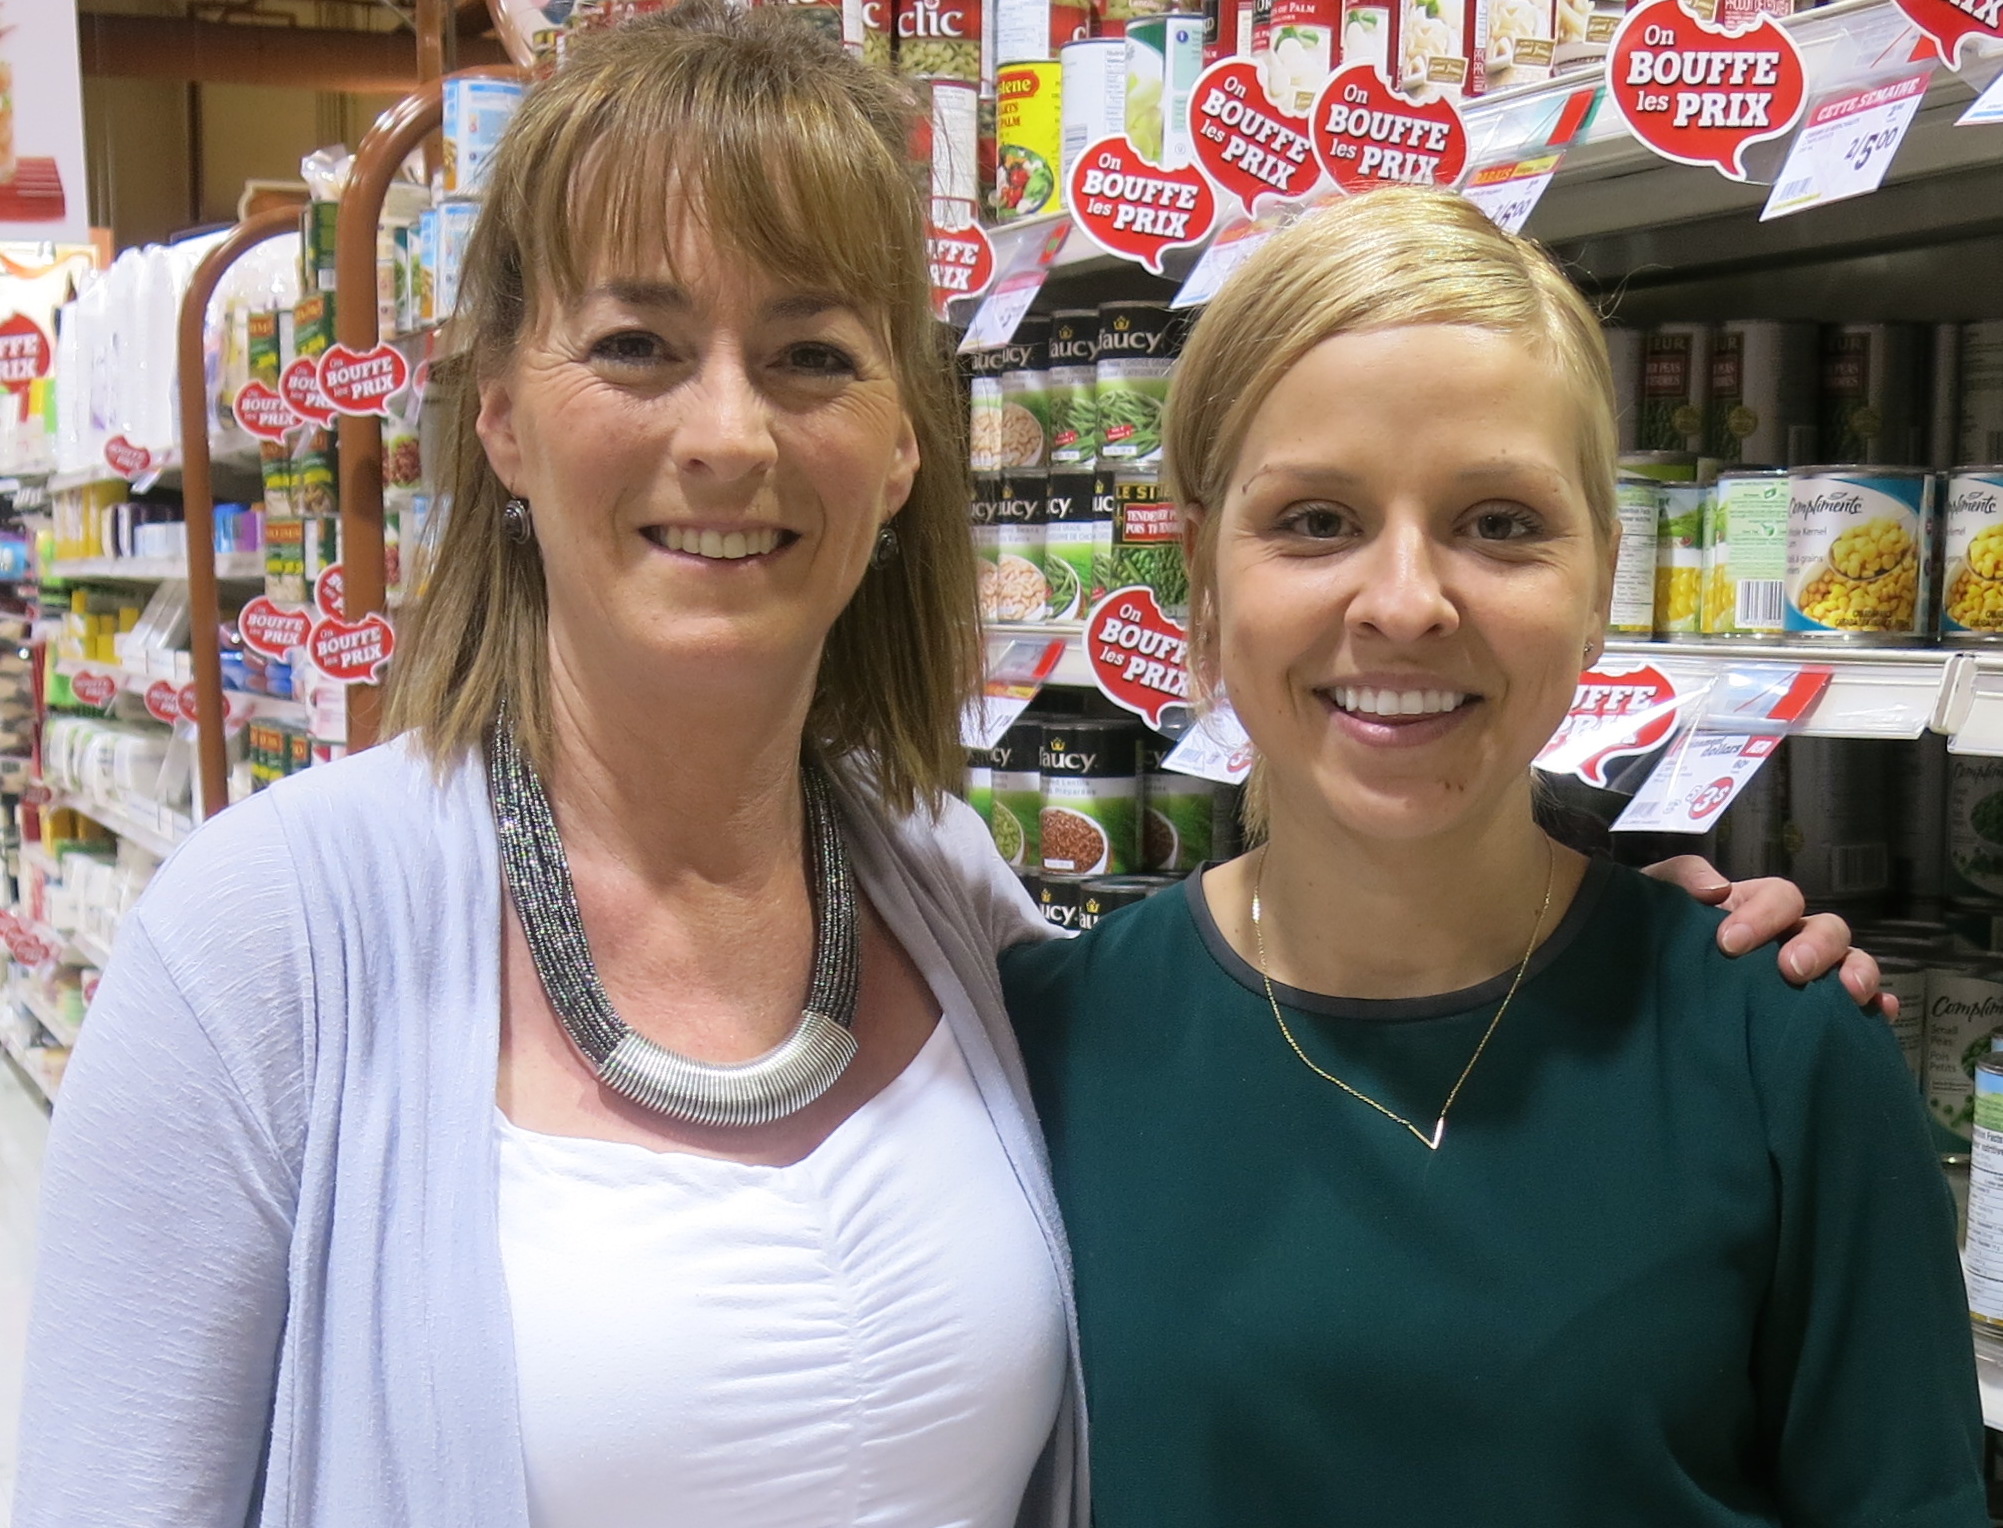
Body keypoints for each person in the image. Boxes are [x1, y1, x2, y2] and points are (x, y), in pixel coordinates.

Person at [16, 13, 1873, 1528]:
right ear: (500, 410)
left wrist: (1671, 983)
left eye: (814, 354)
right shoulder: (262, 950)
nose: (728, 434)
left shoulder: (962, 918)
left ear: (906, 443)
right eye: (638, 344)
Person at [1002, 186, 1985, 1528]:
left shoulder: (1783, 1055)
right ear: (1203, 589)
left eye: (1501, 523)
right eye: (1316, 521)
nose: (1405, 600)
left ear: (1597, 593)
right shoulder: (1037, 1053)